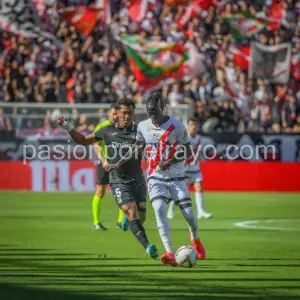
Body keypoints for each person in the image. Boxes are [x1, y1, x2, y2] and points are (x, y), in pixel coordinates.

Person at [107, 92, 206, 266]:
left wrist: (170, 160)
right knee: (159, 208)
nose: (151, 116)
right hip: (155, 176)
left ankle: (195, 238)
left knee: (189, 214)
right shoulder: (143, 126)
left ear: (162, 108)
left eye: (154, 112)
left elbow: (189, 152)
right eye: (149, 112)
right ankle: (170, 253)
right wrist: (119, 162)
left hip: (176, 176)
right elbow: (137, 147)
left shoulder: (177, 126)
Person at [57, 99, 158, 260]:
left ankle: (127, 218)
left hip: (137, 180)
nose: (126, 116)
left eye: (129, 113)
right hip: (118, 180)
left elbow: (142, 147)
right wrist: (69, 128)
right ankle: (148, 246)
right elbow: (83, 141)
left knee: (141, 218)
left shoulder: (140, 131)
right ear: (117, 113)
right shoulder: (107, 131)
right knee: (132, 211)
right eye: (123, 113)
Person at [167, 118, 212, 220]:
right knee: (179, 192)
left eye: (195, 124)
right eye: (191, 124)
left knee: (199, 187)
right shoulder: (183, 137)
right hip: (184, 169)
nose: (193, 126)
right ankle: (170, 210)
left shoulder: (199, 138)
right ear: (187, 126)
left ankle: (200, 212)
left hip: (195, 169)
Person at [92, 104, 125, 230]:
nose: (116, 115)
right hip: (104, 163)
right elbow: (96, 145)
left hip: (118, 163)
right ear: (109, 113)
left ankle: (120, 222)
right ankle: (96, 223)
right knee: (100, 191)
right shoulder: (102, 126)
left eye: (118, 113)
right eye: (114, 113)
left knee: (122, 191)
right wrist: (102, 160)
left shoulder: (122, 127)